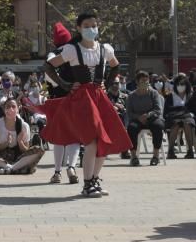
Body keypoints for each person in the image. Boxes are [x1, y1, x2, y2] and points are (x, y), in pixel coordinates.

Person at [40, 13, 131, 197]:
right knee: (92, 141)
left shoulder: (105, 49)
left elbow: (115, 66)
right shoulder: (72, 49)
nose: (92, 29)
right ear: (79, 28)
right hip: (82, 99)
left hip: (99, 96)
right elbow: (49, 66)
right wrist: (65, 84)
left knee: (106, 139)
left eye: (94, 25)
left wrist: (107, 81)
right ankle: (88, 183)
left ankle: (94, 179)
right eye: (87, 25)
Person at [42, 22, 81, 185]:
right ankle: (71, 167)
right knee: (75, 136)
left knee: (59, 138)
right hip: (76, 99)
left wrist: (62, 84)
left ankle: (57, 172)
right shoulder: (75, 51)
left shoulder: (53, 55)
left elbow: (48, 74)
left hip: (57, 100)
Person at [0, 99, 45, 174]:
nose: (11, 109)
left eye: (13, 107)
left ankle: (7, 169)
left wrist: (20, 142)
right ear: (4, 109)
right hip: (1, 159)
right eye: (8, 107)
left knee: (39, 150)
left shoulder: (24, 126)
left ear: (18, 109)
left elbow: (26, 150)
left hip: (18, 159)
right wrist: (6, 143)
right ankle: (16, 169)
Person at [125, 71, 165, 167]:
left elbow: (158, 109)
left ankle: (156, 156)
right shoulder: (131, 96)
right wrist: (138, 117)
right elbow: (129, 113)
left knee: (158, 126)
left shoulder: (153, 93)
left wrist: (147, 115)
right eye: (143, 80)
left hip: (152, 118)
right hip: (137, 119)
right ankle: (134, 157)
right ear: (137, 82)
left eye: (147, 80)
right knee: (131, 128)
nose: (146, 82)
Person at [164, 73, 196, 159]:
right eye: (178, 84)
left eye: (182, 84)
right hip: (174, 117)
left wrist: (185, 111)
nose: (180, 86)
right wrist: (180, 109)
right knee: (175, 124)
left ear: (186, 85)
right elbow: (167, 110)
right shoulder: (170, 96)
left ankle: (190, 151)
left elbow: (193, 109)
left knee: (187, 124)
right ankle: (170, 151)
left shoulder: (190, 96)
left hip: (187, 116)